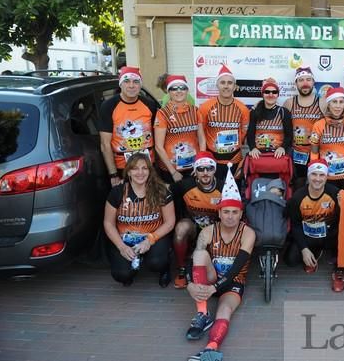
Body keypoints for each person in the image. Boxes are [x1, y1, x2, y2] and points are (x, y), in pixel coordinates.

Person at [185, 165, 255, 361]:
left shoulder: (248, 233)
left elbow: (237, 266)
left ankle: (211, 348)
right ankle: (202, 313)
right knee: (199, 255)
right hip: (210, 279)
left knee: (224, 310)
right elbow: (192, 260)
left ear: (241, 214)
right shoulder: (207, 231)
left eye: (234, 212)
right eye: (226, 212)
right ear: (219, 212)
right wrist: (190, 283)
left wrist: (215, 288)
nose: (230, 217)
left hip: (233, 282)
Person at [103, 153, 176, 287]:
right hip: (125, 239)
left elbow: (170, 222)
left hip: (153, 237)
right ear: (128, 172)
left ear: (150, 171)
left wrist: (150, 240)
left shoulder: (161, 191)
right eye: (135, 168)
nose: (140, 172)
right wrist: (121, 247)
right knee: (122, 275)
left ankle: (164, 267)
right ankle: (132, 267)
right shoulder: (118, 192)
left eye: (144, 168)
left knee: (156, 262)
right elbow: (108, 223)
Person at [284, 159, 344, 290]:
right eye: (314, 174)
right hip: (308, 235)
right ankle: (313, 252)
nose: (317, 179)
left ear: (326, 177)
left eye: (321, 175)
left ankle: (338, 269)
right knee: (290, 260)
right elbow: (295, 225)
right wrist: (304, 249)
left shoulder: (335, 193)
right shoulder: (297, 197)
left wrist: (343, 206)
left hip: (330, 236)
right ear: (308, 176)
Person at [99, 66, 158, 187]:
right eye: (127, 81)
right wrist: (113, 174)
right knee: (128, 203)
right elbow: (105, 144)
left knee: (151, 202)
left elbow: (157, 136)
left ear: (140, 85)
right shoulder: (108, 106)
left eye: (136, 82)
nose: (131, 85)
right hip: (123, 167)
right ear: (120, 84)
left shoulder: (149, 104)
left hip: (148, 166)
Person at [171, 152, 223, 289]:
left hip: (215, 232)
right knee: (181, 228)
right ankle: (182, 269)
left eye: (209, 169)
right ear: (195, 171)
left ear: (214, 170)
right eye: (200, 169)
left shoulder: (224, 187)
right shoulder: (185, 185)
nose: (205, 173)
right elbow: (164, 191)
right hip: (194, 228)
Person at [199, 64, 250, 180]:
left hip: (234, 160)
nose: (226, 86)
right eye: (222, 83)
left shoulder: (243, 109)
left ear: (234, 86)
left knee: (233, 196)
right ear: (217, 85)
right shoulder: (205, 108)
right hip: (212, 161)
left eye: (229, 83)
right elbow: (201, 134)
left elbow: (243, 134)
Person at [309, 87, 344, 192]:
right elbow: (314, 155)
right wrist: (314, 175)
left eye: (341, 102)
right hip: (328, 177)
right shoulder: (318, 125)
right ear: (329, 104)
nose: (338, 106)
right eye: (334, 102)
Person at [154, 74, 206, 184]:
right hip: (171, 169)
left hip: (193, 167)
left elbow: (202, 139)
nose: (179, 91)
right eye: (174, 88)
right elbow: (158, 146)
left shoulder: (195, 111)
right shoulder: (162, 114)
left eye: (182, 87)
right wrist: (173, 172)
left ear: (187, 90)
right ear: (169, 92)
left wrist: (200, 163)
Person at [283, 66, 323, 189]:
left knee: (317, 187)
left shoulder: (322, 102)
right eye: (301, 80)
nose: (305, 83)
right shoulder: (289, 103)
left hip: (317, 153)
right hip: (296, 154)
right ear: (296, 83)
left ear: (313, 82)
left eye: (308, 79)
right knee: (298, 186)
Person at [247, 78, 293, 159]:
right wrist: (253, 148)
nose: (270, 95)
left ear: (278, 95)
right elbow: (250, 134)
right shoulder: (254, 112)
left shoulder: (284, 112)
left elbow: (289, 135)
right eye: (267, 92)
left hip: (277, 155)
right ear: (262, 94)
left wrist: (282, 147)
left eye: (274, 92)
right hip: (258, 154)